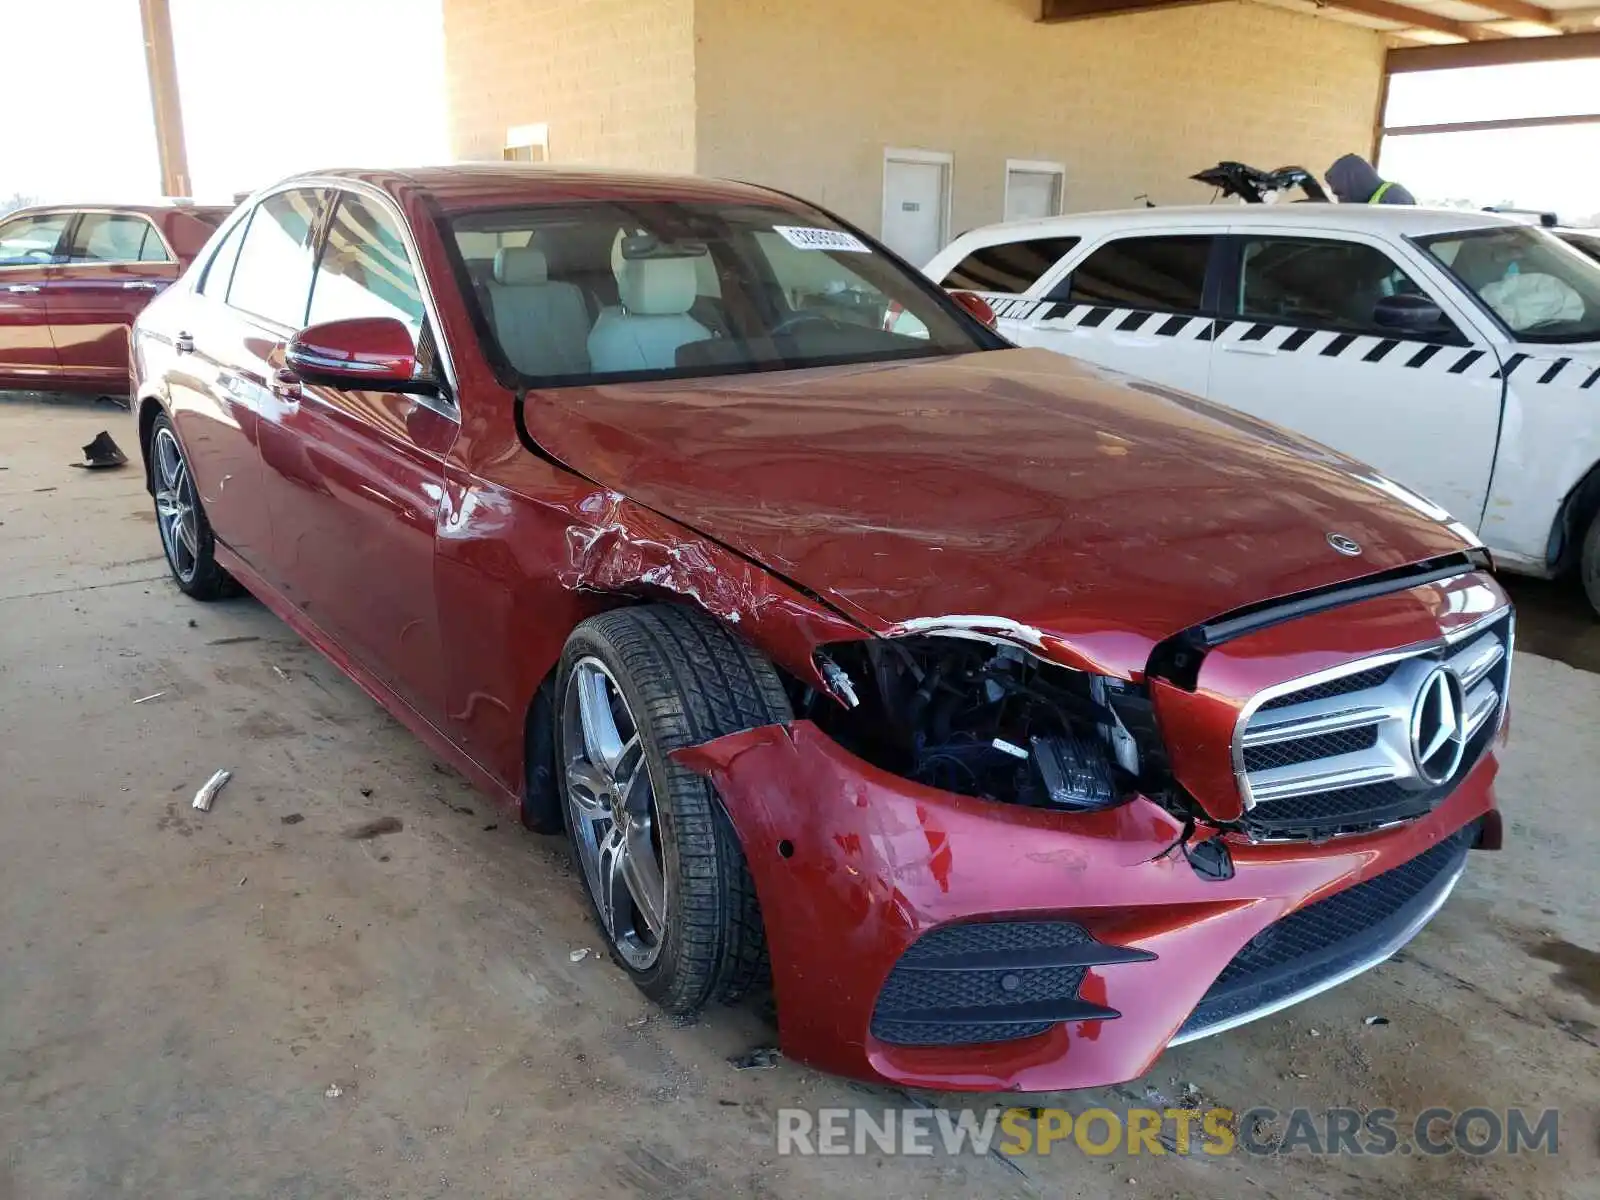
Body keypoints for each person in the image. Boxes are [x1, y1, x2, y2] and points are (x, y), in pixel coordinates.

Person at [1326, 154, 1417, 205]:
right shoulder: (1379, 195)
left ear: (1355, 184)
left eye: (1341, 194)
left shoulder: (1393, 199)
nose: (1340, 201)